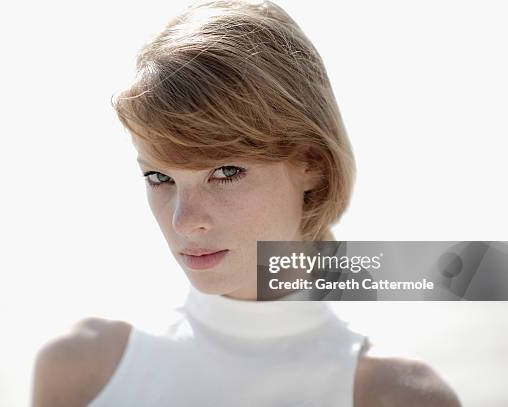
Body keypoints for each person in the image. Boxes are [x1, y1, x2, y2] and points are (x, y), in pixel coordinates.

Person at [31, 1, 462, 405]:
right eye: (159, 178)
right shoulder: (81, 369)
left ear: (311, 162)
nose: (184, 221)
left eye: (225, 172)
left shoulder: (397, 396)